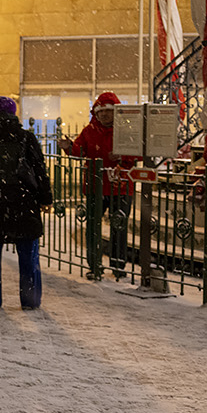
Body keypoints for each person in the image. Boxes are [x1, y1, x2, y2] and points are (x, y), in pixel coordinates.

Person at [0, 96, 53, 310]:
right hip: (23, 202)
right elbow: (39, 171)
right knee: (28, 256)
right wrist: (45, 198)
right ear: (14, 113)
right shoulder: (26, 138)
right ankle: (30, 301)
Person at [59, 92, 138, 280]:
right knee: (93, 226)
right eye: (101, 112)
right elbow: (80, 151)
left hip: (121, 185)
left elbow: (139, 153)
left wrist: (122, 158)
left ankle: (118, 265)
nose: (104, 115)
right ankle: (94, 265)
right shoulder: (89, 130)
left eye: (108, 112)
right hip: (96, 185)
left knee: (118, 226)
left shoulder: (126, 130)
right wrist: (68, 147)